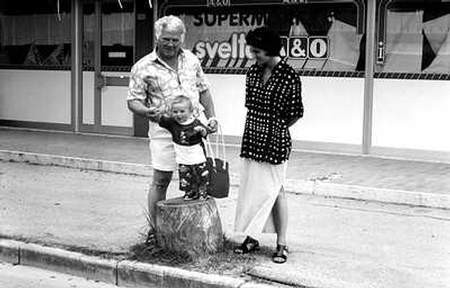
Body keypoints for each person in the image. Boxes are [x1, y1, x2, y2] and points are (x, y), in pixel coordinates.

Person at [127, 15, 218, 242]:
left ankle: (197, 232)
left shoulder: (192, 60)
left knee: (198, 178)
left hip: (195, 131)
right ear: (158, 37)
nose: (170, 44)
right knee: (161, 179)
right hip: (164, 132)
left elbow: (204, 90)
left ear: (182, 39)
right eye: (166, 39)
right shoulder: (142, 66)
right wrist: (147, 112)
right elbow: (133, 100)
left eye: (175, 40)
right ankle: (156, 230)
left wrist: (212, 117)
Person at [233, 27, 303, 264]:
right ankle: (252, 237)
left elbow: (295, 113)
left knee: (275, 190)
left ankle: (281, 243)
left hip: (275, 139)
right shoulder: (252, 72)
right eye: (252, 50)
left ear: (271, 50)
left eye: (258, 51)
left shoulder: (289, 75)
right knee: (253, 189)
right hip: (253, 135)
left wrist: (277, 128)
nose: (254, 55)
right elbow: (250, 105)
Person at [153, 95, 211, 201]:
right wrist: (159, 111)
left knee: (201, 175)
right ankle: (190, 192)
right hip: (182, 157)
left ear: (190, 111)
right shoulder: (172, 123)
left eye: (182, 111)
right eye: (175, 112)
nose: (179, 115)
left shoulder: (195, 122)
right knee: (186, 177)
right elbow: (160, 119)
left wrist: (202, 130)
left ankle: (202, 191)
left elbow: (205, 131)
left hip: (196, 156)